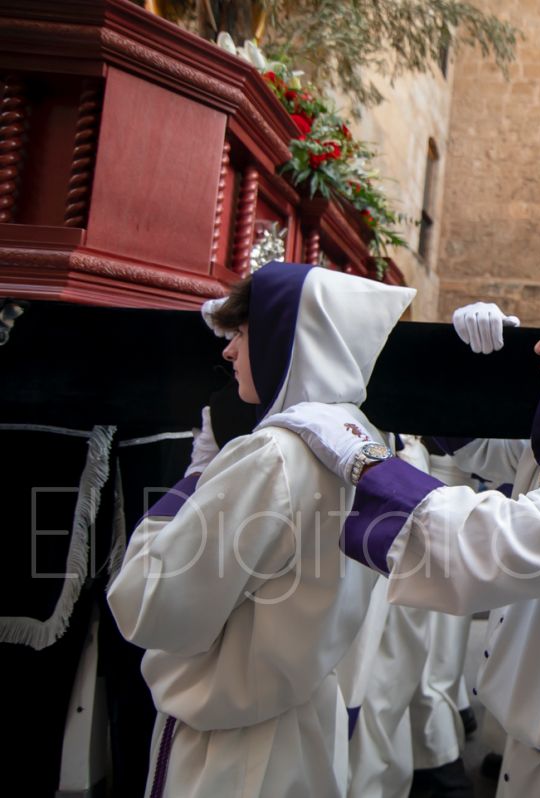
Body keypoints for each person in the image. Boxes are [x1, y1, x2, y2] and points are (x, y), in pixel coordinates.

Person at [264, 270, 540, 797]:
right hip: (538, 753)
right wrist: (463, 363)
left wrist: (364, 461)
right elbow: (484, 451)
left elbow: (515, 543)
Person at [107, 262, 415, 797]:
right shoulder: (360, 436)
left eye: (245, 333)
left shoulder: (271, 455)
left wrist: (195, 479)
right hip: (303, 723)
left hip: (232, 750)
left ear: (288, 341)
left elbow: (150, 603)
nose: (229, 351)